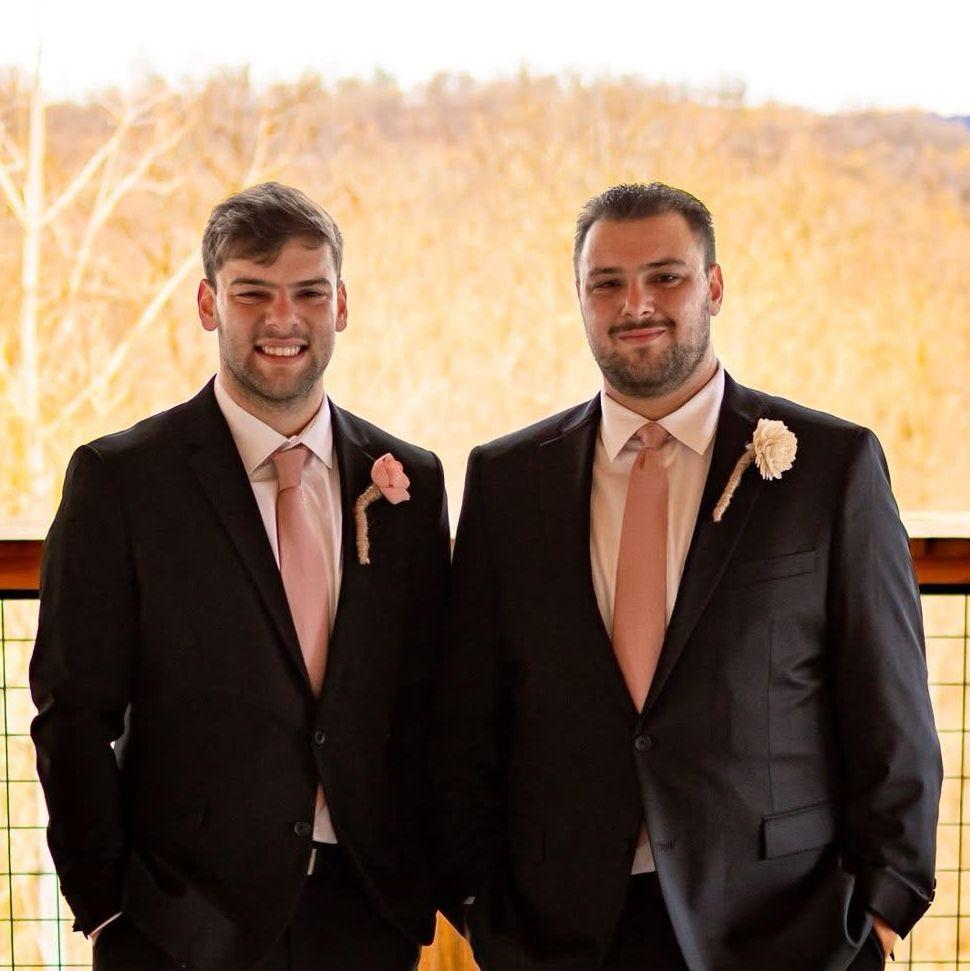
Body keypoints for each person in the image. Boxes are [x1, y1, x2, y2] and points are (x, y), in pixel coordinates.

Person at [431, 182, 941, 971]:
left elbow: (891, 714)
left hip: (782, 928)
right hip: (559, 931)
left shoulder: (831, 467)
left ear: (714, 286)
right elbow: (467, 714)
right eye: (607, 282)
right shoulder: (508, 480)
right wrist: (478, 906)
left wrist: (879, 915)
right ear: (579, 298)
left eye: (665, 276)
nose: (635, 303)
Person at [30, 182, 449, 971]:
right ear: (207, 303)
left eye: (309, 292)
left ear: (342, 305)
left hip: (367, 919)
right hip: (178, 922)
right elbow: (71, 713)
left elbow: (431, 698)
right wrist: (107, 904)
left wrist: (422, 886)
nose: (283, 318)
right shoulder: (123, 481)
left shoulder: (410, 481)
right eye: (253, 292)